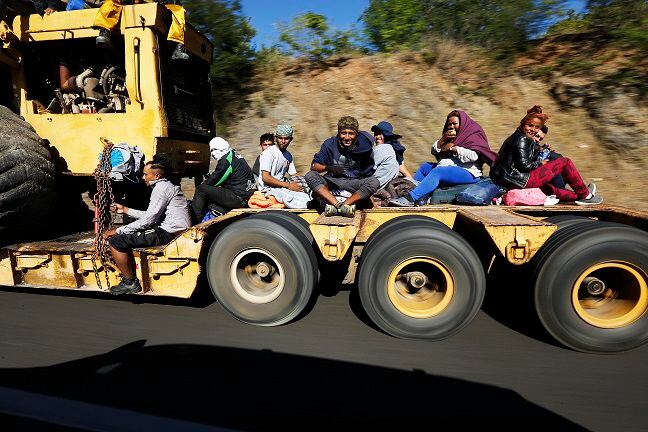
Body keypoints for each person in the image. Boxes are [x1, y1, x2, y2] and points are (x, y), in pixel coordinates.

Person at [103, 157, 192, 295]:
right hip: (171, 228)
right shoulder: (165, 186)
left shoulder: (160, 189)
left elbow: (148, 220)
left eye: (146, 174)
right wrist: (126, 210)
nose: (143, 177)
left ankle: (130, 282)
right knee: (129, 233)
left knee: (116, 241)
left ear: (156, 176)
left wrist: (117, 230)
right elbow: (150, 215)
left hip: (169, 232)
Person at [490, 105, 602, 205]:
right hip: (520, 179)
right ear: (523, 123)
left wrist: (540, 149)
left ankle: (582, 196)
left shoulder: (515, 136)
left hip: (509, 180)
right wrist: (541, 163)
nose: (533, 130)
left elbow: (520, 156)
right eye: (530, 125)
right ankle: (586, 195)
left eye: (537, 127)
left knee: (549, 189)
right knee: (564, 162)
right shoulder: (522, 139)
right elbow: (524, 165)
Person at [390, 110, 497, 207]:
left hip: (468, 172)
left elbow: (474, 156)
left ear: (463, 124)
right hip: (450, 168)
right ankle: (414, 192)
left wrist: (454, 149)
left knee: (438, 172)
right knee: (425, 167)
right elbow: (434, 151)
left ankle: (411, 198)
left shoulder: (472, 135)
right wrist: (442, 140)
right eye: (449, 124)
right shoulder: (450, 137)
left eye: (455, 123)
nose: (451, 126)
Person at [304, 116, 380, 217]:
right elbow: (314, 166)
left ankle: (343, 205)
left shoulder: (364, 148)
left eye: (351, 134)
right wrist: (329, 168)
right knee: (310, 176)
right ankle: (337, 205)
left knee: (375, 182)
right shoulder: (329, 144)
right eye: (343, 133)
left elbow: (368, 175)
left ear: (356, 134)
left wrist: (369, 198)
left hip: (353, 183)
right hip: (332, 181)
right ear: (339, 133)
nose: (347, 138)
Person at [94, 0, 189, 61]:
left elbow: (175, 2)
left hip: (154, 3)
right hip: (133, 2)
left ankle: (178, 47)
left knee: (179, 10)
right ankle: (104, 32)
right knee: (112, 1)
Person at [191, 137, 256, 221]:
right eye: (211, 151)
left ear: (221, 148)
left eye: (214, 150)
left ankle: (195, 221)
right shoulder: (234, 154)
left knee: (201, 189)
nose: (213, 154)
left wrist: (204, 185)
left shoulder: (226, 160)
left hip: (239, 197)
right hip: (245, 194)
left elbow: (215, 180)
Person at [257, 124, 310, 209]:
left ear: (291, 140)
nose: (283, 141)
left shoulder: (288, 155)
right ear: (276, 138)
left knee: (308, 188)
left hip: (282, 186)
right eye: (280, 138)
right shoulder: (269, 153)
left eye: (286, 138)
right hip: (268, 189)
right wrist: (288, 185)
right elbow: (265, 178)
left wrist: (308, 180)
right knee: (300, 198)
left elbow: (294, 174)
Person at [533, 124, 566, 189]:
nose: (538, 140)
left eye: (540, 139)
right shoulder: (522, 142)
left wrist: (546, 152)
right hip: (526, 178)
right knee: (555, 162)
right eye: (537, 136)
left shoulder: (534, 146)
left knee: (557, 160)